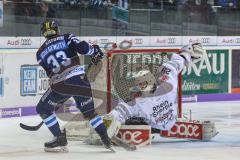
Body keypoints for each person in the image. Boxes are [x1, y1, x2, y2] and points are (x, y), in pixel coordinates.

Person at [36, 20, 112, 152]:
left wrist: (59, 97)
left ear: (44, 33)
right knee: (90, 113)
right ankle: (106, 139)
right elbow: (83, 48)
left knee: (43, 109)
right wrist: (95, 51)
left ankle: (59, 137)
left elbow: (51, 74)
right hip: (79, 80)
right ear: (57, 30)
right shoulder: (67, 37)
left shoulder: (40, 53)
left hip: (60, 86)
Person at [101, 43, 206, 137]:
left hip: (153, 124)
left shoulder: (135, 102)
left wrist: (102, 127)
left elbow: (116, 114)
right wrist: (187, 52)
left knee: (130, 117)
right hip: (169, 122)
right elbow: (178, 61)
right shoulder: (166, 80)